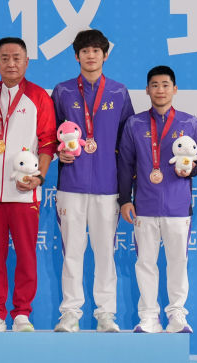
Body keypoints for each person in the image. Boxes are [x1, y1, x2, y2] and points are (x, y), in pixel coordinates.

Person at [51, 29, 135, 333]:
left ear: (105, 55)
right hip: (71, 185)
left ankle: (106, 314)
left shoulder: (118, 92)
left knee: (105, 253)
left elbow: (129, 141)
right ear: (76, 56)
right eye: (85, 51)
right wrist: (58, 153)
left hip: (107, 186)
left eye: (96, 51)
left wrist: (126, 191)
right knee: (72, 252)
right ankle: (70, 313)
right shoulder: (62, 91)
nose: (90, 55)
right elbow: (49, 134)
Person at [117, 65, 197, 335]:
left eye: (165, 85)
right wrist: (125, 199)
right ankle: (149, 317)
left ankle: (177, 315)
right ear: (147, 90)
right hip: (144, 206)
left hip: (178, 206)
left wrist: (191, 169)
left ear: (175, 89)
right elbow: (125, 164)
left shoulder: (189, 123)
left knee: (178, 262)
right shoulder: (135, 124)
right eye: (155, 85)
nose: (160, 90)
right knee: (145, 263)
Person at [0, 37, 56, 332]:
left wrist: (39, 177)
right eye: (5, 58)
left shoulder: (39, 97)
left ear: (27, 62)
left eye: (16, 58)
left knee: (26, 255)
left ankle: (22, 313)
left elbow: (48, 142)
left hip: (25, 193)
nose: (11, 63)